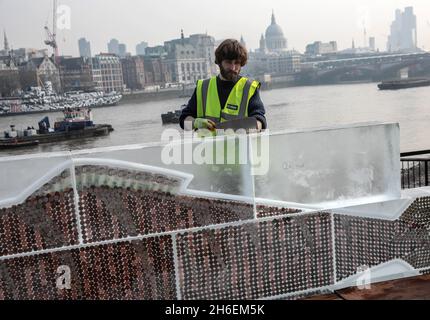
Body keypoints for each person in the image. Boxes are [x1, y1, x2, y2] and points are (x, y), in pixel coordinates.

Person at [180, 39, 267, 133]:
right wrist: (195, 123)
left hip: (240, 147)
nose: (233, 68)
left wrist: (251, 128)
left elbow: (260, 120)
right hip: (208, 147)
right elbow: (184, 121)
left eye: (237, 63)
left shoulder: (249, 89)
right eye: (229, 62)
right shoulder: (203, 88)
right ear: (219, 62)